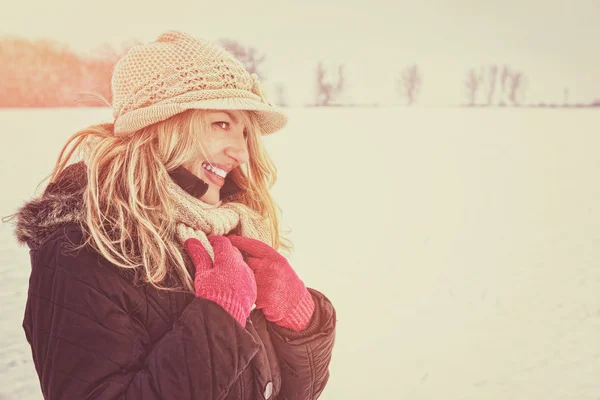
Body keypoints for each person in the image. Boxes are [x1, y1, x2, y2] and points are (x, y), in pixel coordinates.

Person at [8, 30, 336, 399]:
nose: (241, 153)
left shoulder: (227, 229)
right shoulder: (85, 244)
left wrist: (302, 323)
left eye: (245, 132)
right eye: (221, 124)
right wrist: (219, 320)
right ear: (162, 126)